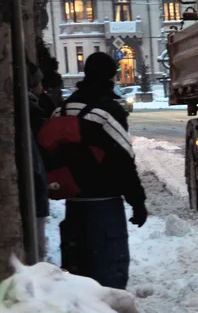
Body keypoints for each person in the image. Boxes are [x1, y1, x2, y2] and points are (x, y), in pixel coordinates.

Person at [39, 52, 147, 289]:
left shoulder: (63, 110)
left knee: (78, 277)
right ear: (111, 76)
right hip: (104, 205)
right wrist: (137, 202)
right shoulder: (107, 111)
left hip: (74, 202)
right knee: (109, 279)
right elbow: (124, 161)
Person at [27, 63, 51, 262]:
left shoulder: (32, 106)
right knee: (36, 242)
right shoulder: (32, 110)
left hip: (33, 183)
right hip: (33, 185)